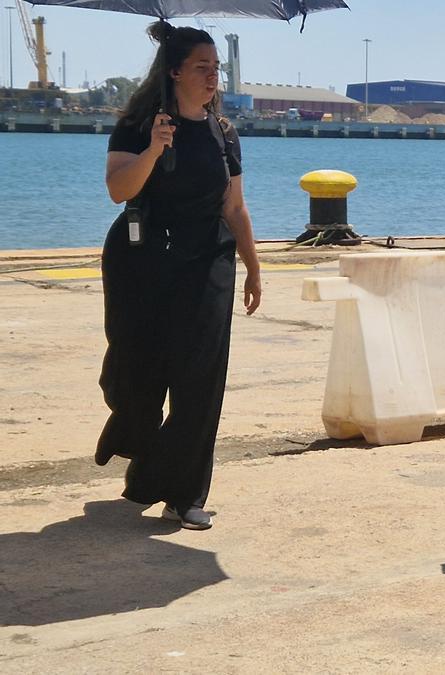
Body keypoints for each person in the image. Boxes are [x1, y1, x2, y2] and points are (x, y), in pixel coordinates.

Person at [96, 23, 261, 531]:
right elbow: (119, 192)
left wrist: (254, 266)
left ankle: (184, 494)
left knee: (200, 382)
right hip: (141, 261)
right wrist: (152, 149)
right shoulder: (139, 124)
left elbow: (234, 205)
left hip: (208, 260)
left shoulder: (223, 132)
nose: (213, 76)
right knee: (138, 376)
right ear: (175, 72)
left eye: (216, 68)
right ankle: (139, 449)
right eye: (202, 68)